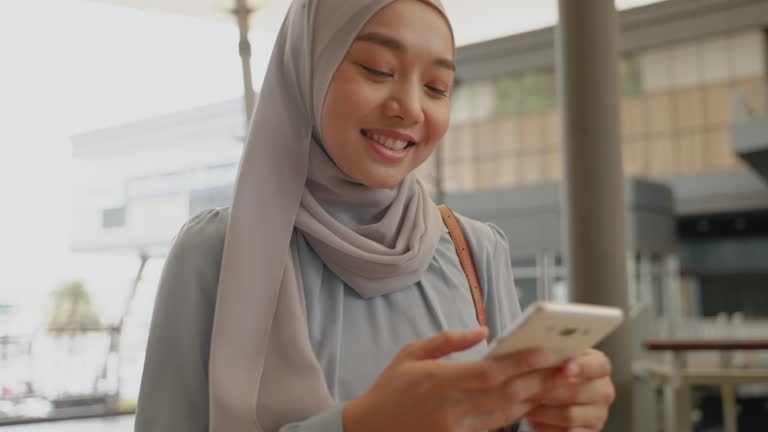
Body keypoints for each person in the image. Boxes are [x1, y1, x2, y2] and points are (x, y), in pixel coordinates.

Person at [134, 1, 616, 431]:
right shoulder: (219, 251)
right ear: (309, 69)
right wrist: (360, 425)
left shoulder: (476, 249)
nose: (408, 107)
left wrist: (558, 417)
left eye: (436, 86)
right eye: (377, 69)